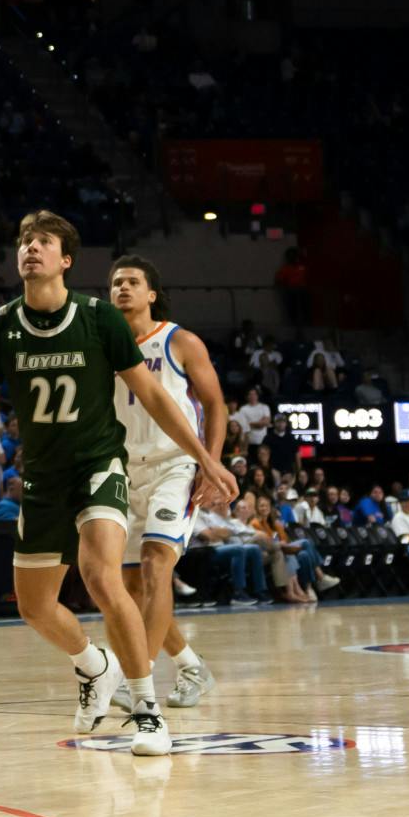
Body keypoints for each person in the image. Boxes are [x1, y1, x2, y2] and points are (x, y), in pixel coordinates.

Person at [0, 212, 236, 757]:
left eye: (44, 242)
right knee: (34, 607)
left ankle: (147, 709)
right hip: (41, 475)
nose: (31, 249)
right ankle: (93, 664)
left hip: (101, 464)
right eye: (24, 241)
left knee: (105, 576)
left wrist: (206, 457)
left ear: (65, 260)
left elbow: (155, 397)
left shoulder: (99, 318)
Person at [106, 255, 230, 712]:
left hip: (175, 464)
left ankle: (136, 680)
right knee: (133, 587)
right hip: (124, 470)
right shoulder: (103, 344)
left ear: (151, 294)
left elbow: (216, 404)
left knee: (158, 566)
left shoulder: (180, 341)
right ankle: (192, 665)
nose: (122, 288)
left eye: (132, 282)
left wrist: (209, 463)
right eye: (116, 282)